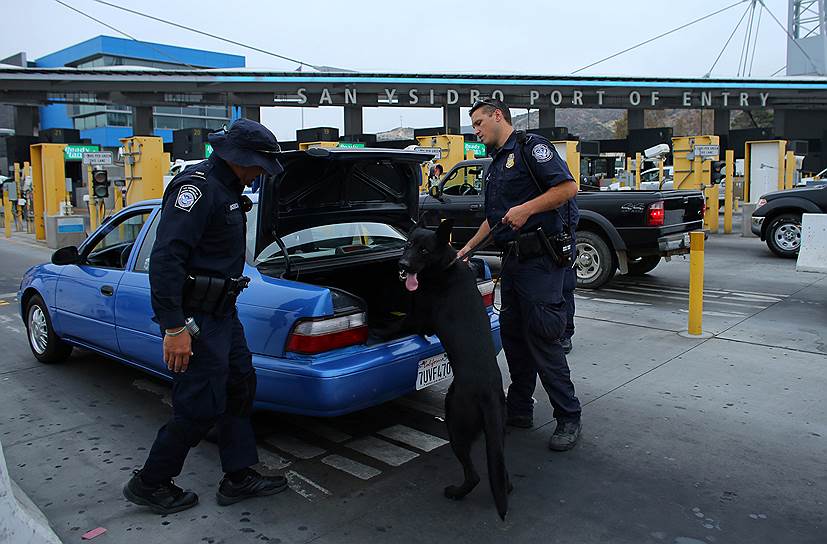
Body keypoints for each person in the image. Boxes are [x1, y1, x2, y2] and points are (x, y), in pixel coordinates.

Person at [123, 119, 287, 514]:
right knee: (199, 403)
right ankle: (152, 481)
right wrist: (174, 326)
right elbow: (165, 260)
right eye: (258, 166)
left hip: (223, 313)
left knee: (239, 387)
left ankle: (238, 475)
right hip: (195, 318)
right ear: (237, 158)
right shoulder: (196, 190)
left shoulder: (229, 188)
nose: (260, 175)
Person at [459, 98, 582, 451]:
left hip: (541, 262)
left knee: (543, 338)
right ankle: (519, 410)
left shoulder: (532, 148)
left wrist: (526, 209)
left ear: (499, 116)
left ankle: (568, 416)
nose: (476, 130)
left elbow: (567, 189)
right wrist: (466, 249)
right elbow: (495, 217)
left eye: (480, 122)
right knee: (513, 338)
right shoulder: (495, 163)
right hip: (513, 262)